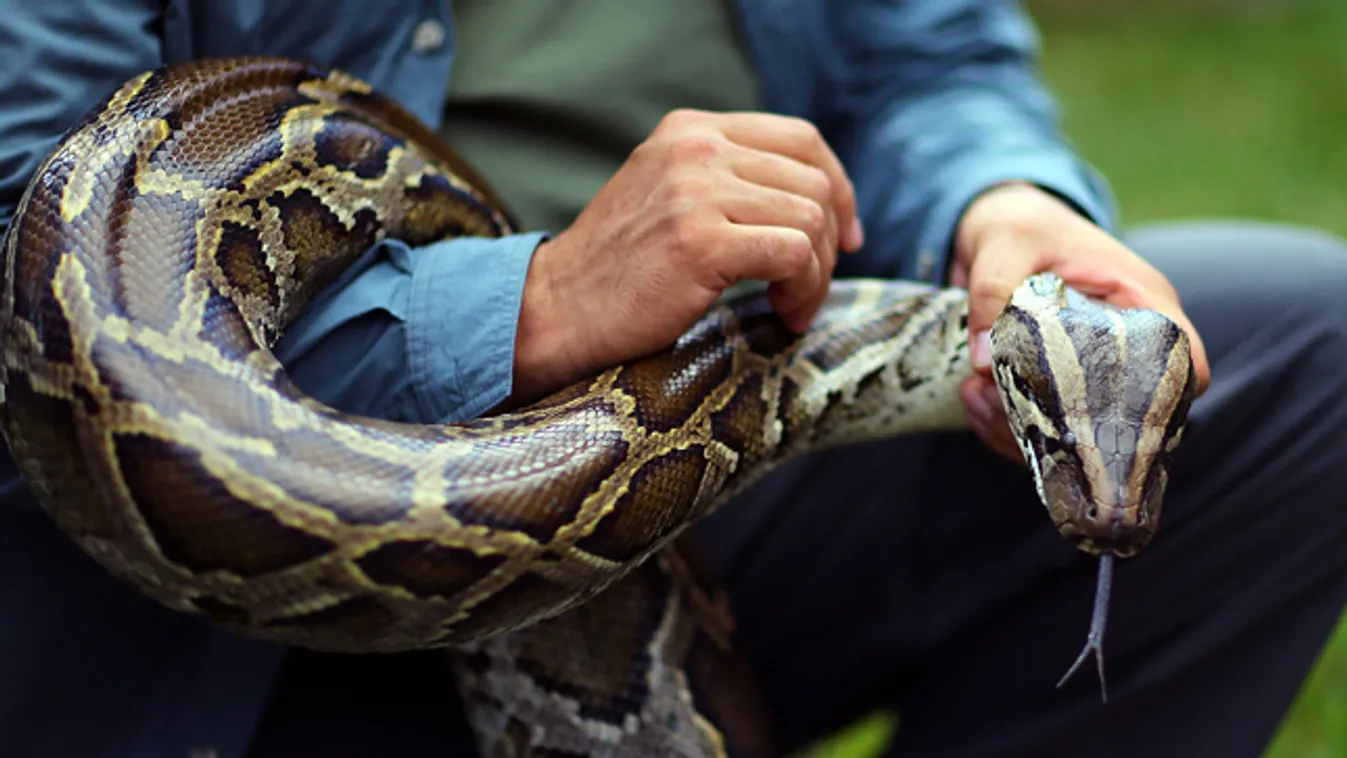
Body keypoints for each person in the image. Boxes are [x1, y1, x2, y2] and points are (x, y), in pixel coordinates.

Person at [1, 1, 1344, 757]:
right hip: (207, 604)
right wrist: (540, 300)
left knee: (1304, 343)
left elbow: (928, 64)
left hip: (688, 431)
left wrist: (998, 200)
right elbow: (27, 227)